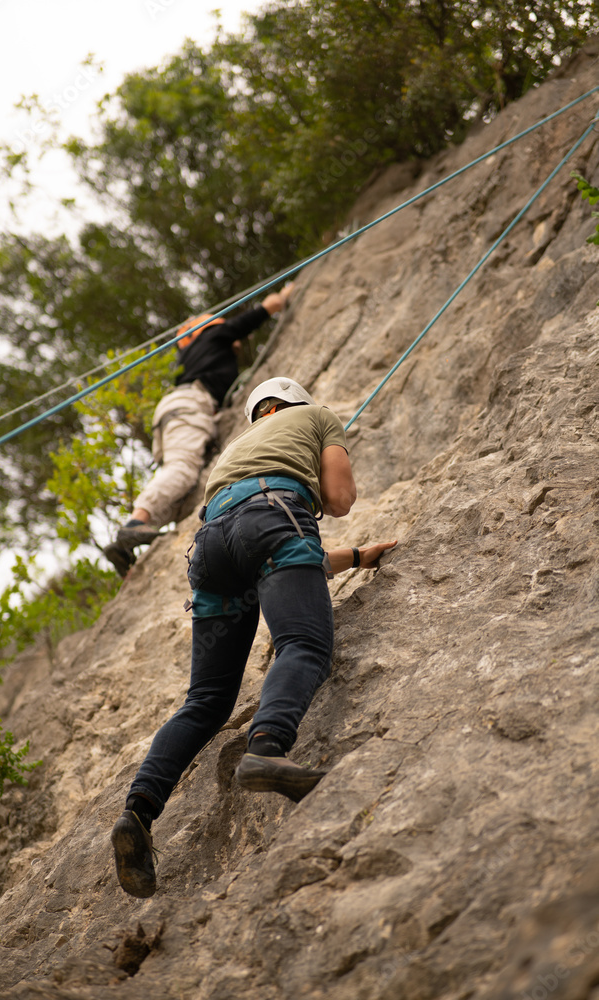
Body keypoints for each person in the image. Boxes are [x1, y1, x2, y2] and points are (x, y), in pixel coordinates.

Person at [110, 375, 397, 897]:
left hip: (212, 548)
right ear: (297, 403)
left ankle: (139, 811)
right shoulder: (317, 416)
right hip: (274, 520)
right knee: (304, 644)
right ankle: (267, 747)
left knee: (206, 699)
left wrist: (355, 557)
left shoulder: (234, 454)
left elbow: (264, 547)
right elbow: (337, 500)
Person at [103, 286, 294, 577]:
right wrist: (284, 295)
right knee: (183, 469)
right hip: (189, 407)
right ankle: (134, 524)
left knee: (183, 483)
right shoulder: (213, 335)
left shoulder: (189, 357)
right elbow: (261, 312)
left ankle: (124, 548)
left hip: (174, 410)